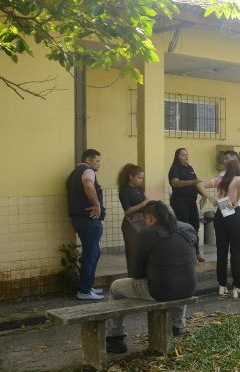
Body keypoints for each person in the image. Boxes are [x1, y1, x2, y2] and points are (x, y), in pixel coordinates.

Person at [105, 201, 197, 354]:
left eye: (144, 220)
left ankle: (116, 338)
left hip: (160, 291)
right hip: (190, 288)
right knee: (179, 276)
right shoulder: (187, 228)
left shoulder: (147, 234)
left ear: (150, 219)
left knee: (116, 287)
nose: (144, 223)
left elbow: (135, 274)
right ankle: (177, 325)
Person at [197, 159, 240, 298]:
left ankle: (222, 285)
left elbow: (200, 185)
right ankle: (237, 287)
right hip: (234, 213)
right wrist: (237, 199)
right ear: (238, 169)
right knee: (236, 253)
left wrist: (211, 199)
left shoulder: (220, 180)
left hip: (220, 214)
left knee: (221, 252)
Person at [67, 149, 106, 300]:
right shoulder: (88, 171)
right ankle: (84, 290)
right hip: (88, 219)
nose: (99, 164)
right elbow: (88, 185)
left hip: (78, 218)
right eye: (97, 161)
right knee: (91, 254)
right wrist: (97, 205)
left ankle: (88, 286)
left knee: (92, 253)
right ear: (88, 160)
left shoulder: (73, 174)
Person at [168, 148, 204, 262]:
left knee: (195, 226)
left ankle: (196, 251)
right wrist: (192, 182)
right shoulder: (175, 168)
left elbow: (196, 184)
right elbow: (175, 182)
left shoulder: (190, 168)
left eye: (187, 154)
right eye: (183, 155)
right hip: (180, 202)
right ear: (177, 157)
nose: (186, 157)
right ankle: (187, 252)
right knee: (186, 226)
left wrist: (203, 193)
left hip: (191, 202)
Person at [117, 164, 148, 276]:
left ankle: (143, 275)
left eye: (142, 178)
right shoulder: (124, 191)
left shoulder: (139, 188)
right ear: (131, 176)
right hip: (131, 224)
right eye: (139, 178)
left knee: (143, 251)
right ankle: (132, 277)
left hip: (143, 221)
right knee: (132, 252)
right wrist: (143, 203)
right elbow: (128, 210)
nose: (141, 180)